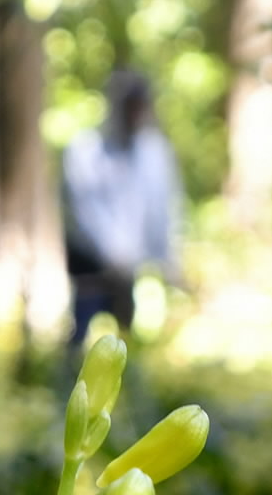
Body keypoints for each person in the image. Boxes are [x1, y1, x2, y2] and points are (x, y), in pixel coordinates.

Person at [61, 70, 183, 341]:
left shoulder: (154, 153)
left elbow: (163, 209)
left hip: (129, 271)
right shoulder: (87, 149)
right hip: (91, 266)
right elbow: (83, 209)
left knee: (126, 339)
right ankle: (65, 379)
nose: (135, 115)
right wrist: (112, 253)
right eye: (130, 107)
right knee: (79, 335)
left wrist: (169, 259)